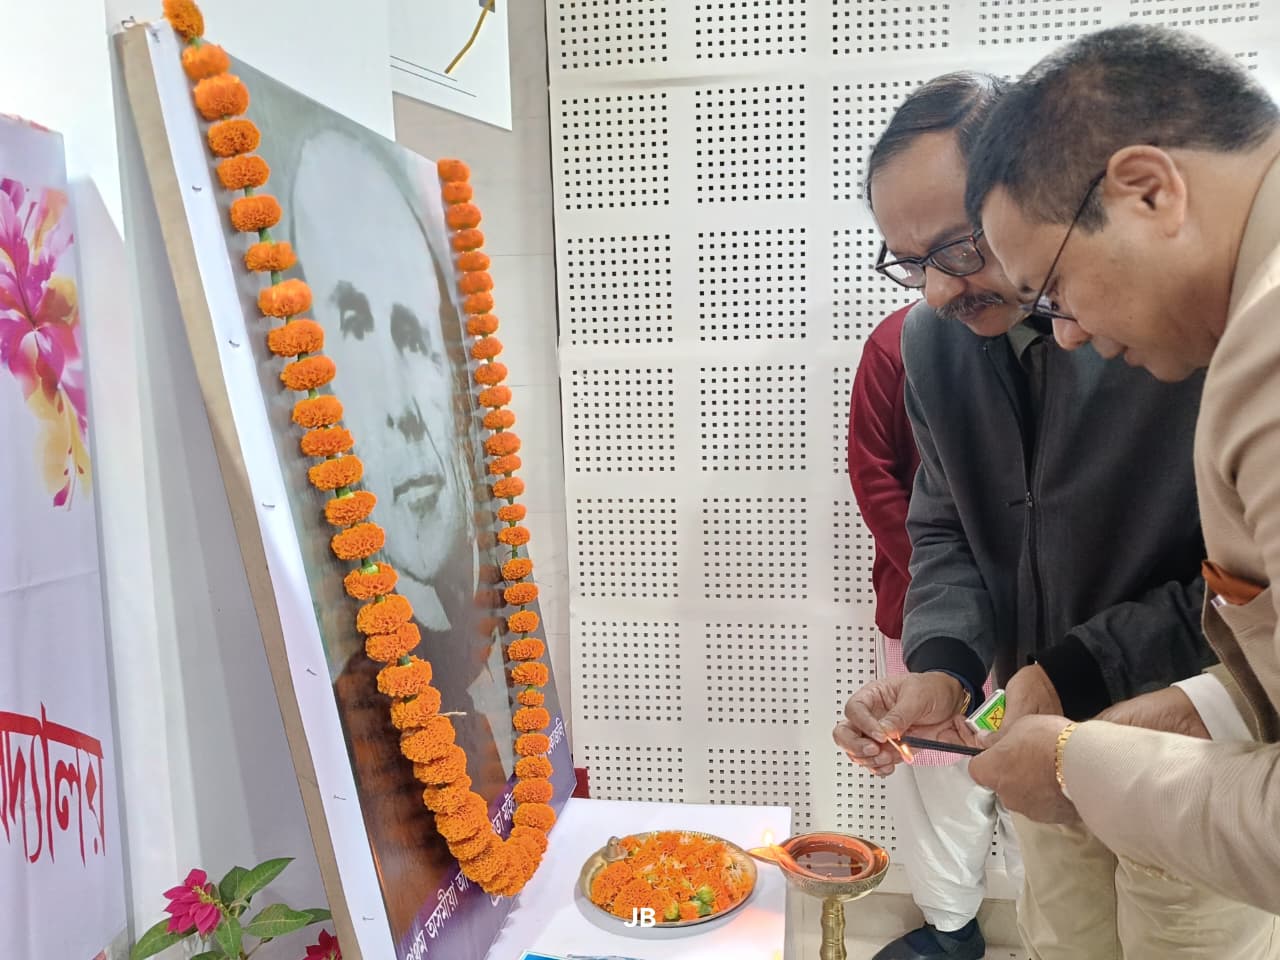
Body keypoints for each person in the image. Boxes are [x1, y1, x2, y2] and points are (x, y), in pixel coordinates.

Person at [831, 71, 1277, 960]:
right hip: (1034, 731)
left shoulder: (1178, 322)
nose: (936, 291)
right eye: (910, 263)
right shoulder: (931, 343)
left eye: (960, 247)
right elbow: (942, 525)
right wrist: (946, 668)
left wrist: (1075, 671)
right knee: (1061, 940)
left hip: (1189, 734)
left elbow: (1241, 583)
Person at [962, 22, 1280, 918]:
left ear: (1148, 189)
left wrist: (1079, 767)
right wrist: (1202, 710)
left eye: (1054, 292)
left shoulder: (1266, 348)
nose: (1064, 335)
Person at [848, 301, 1020, 955]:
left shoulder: (1067, 333)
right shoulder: (898, 341)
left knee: (1040, 769)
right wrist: (939, 582)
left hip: (1047, 618)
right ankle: (951, 928)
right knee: (938, 773)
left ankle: (1049, 925)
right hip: (927, 608)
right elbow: (874, 476)